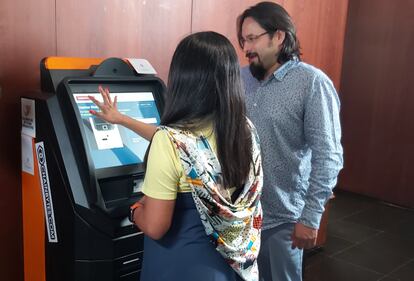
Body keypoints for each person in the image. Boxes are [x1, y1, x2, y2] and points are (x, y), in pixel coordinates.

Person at [89, 31, 263, 281]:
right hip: (228, 265)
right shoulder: (244, 130)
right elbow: (186, 145)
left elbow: (156, 227)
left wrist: (134, 210)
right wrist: (122, 120)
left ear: (183, 79)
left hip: (178, 267)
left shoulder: (169, 142)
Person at [236, 2, 343, 281]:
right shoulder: (241, 77)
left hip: (282, 219)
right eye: (243, 40)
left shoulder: (312, 83)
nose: (246, 48)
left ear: (279, 37)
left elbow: (328, 156)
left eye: (252, 38)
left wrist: (310, 218)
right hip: (239, 215)